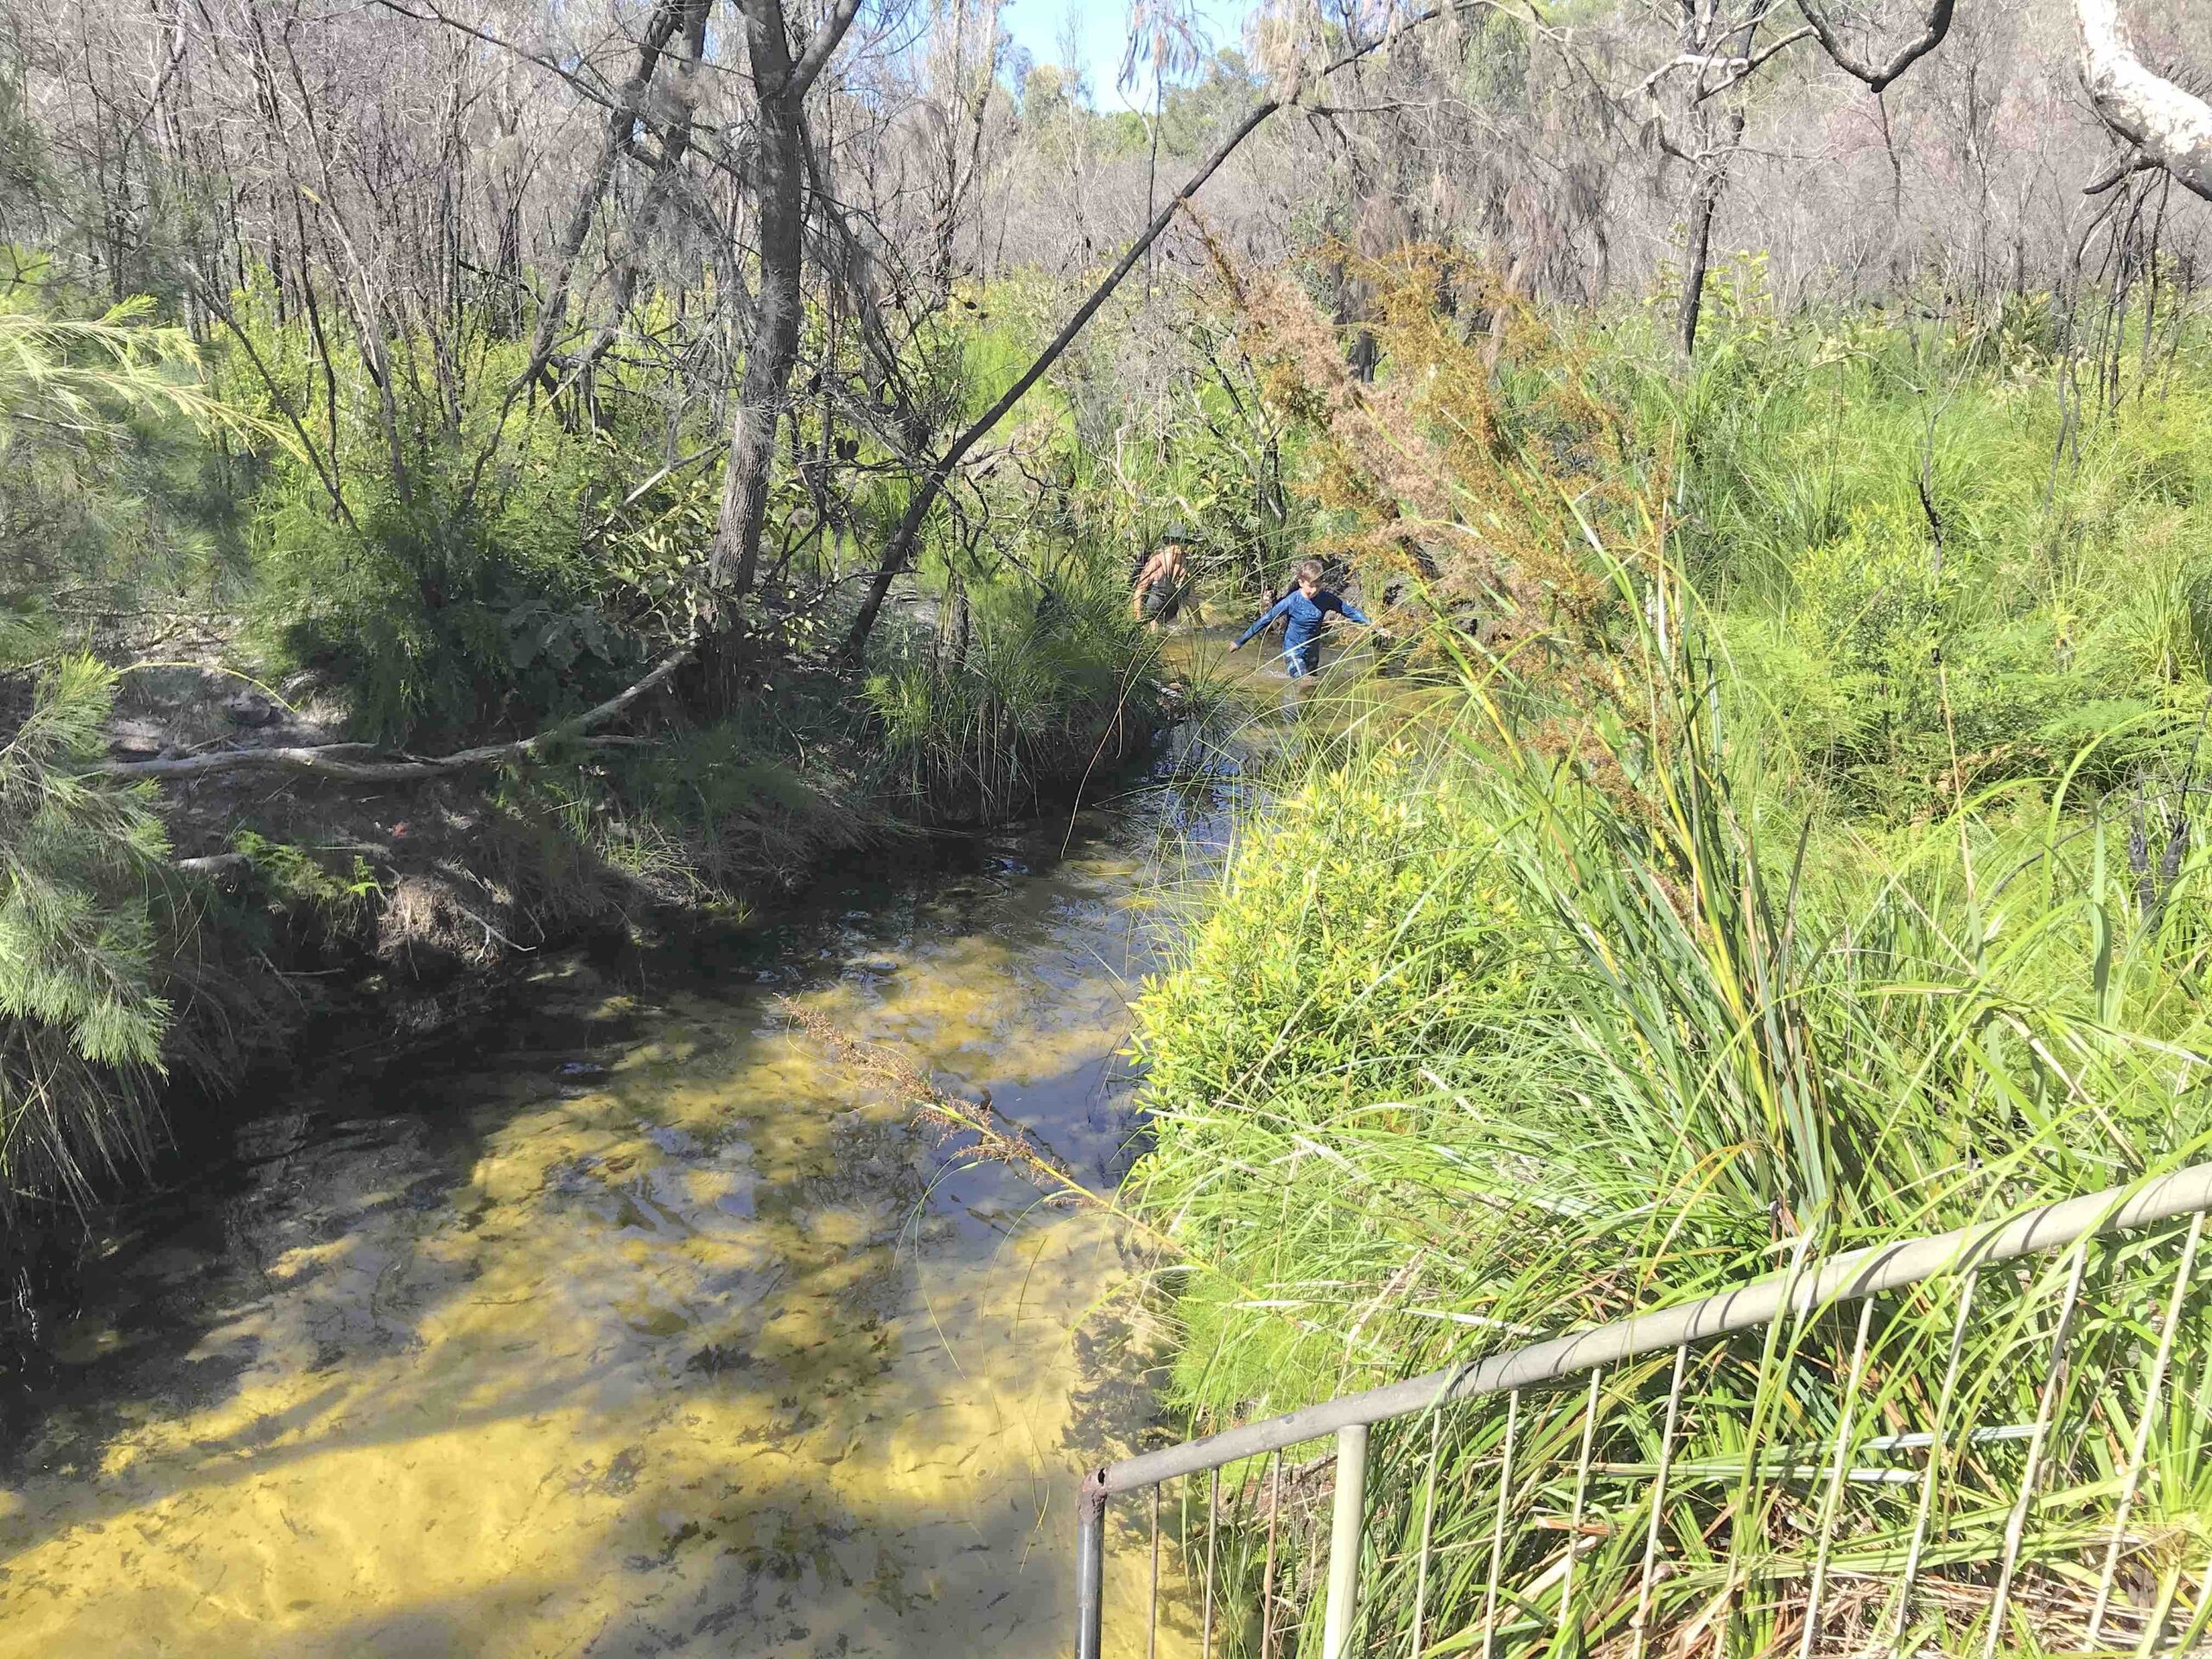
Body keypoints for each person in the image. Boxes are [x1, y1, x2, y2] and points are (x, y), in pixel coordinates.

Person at [1230, 558, 1369, 677]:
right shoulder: (1291, 601)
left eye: (1318, 586)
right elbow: (1266, 619)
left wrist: (1375, 626)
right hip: (1293, 649)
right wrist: (1240, 642)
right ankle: (1289, 708)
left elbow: (1350, 612)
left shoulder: (1325, 599)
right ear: (1301, 582)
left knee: (1312, 688)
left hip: (1312, 651)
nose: (1314, 590)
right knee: (1303, 681)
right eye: (1310, 586)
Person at [1131, 534, 1200, 628]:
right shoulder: (1156, 561)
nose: (1183, 549)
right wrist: (1137, 620)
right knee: (1155, 625)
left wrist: (1200, 625)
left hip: (1171, 609)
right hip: (1154, 608)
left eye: (1184, 545)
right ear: (1171, 544)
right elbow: (1139, 591)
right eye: (1182, 544)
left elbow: (1192, 597)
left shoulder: (1186, 564)